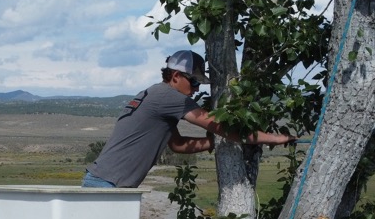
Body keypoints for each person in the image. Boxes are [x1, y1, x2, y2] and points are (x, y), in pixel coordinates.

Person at [82, 50, 294, 189]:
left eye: (199, 84)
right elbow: (222, 126)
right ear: (175, 77)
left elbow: (179, 145)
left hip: (104, 181)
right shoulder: (169, 97)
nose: (196, 89)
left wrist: (214, 142)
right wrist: (272, 138)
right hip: (107, 185)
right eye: (193, 81)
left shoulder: (156, 95)